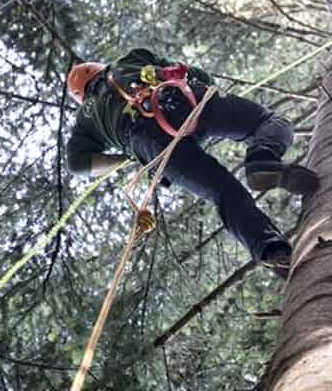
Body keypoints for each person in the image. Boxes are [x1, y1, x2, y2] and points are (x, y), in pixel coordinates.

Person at [65, 47, 318, 277]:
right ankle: (261, 159)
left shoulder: (85, 119)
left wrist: (127, 156)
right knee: (268, 123)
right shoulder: (132, 58)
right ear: (98, 67)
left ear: (81, 95)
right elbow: (196, 74)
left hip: (147, 143)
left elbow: (78, 164)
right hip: (183, 99)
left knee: (223, 191)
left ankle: (273, 251)